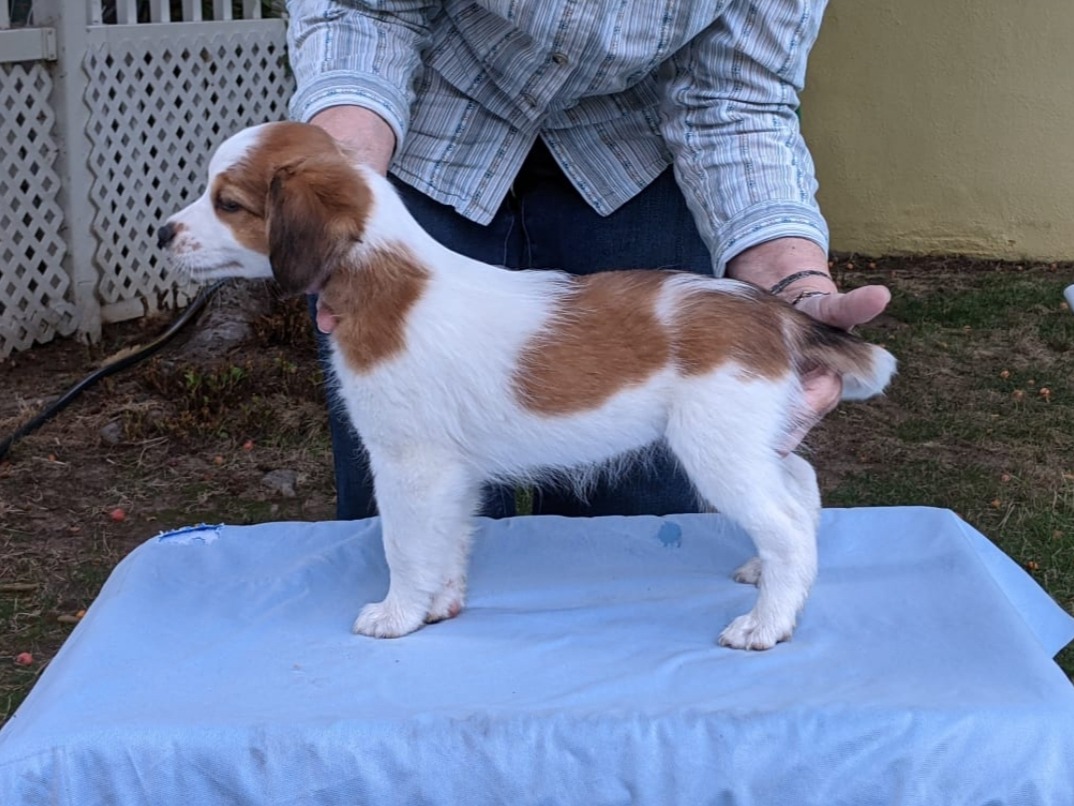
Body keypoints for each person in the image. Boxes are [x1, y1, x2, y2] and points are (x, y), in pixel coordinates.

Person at [284, 0, 891, 520]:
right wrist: (346, 184)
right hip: (428, 127)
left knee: (646, 510)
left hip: (635, 149)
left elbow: (737, 93)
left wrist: (788, 278)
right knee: (410, 469)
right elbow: (362, 8)